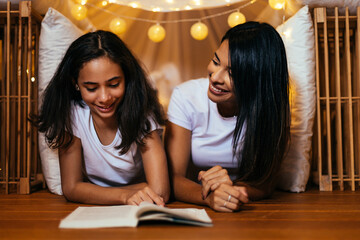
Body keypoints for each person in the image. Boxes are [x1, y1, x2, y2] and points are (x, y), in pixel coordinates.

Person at [32, 30, 170, 206]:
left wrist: (92, 191)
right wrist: (125, 196)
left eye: (113, 84)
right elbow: (71, 188)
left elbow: (160, 192)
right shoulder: (72, 115)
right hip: (111, 205)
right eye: (91, 88)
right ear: (76, 84)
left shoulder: (142, 113)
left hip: (141, 207)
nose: (104, 97)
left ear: (126, 79)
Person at [165, 22, 290, 212]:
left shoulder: (271, 110)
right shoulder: (185, 97)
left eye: (232, 73)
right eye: (216, 62)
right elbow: (173, 179)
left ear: (257, 81)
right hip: (197, 203)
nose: (215, 77)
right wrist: (209, 197)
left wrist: (231, 192)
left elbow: (265, 184)